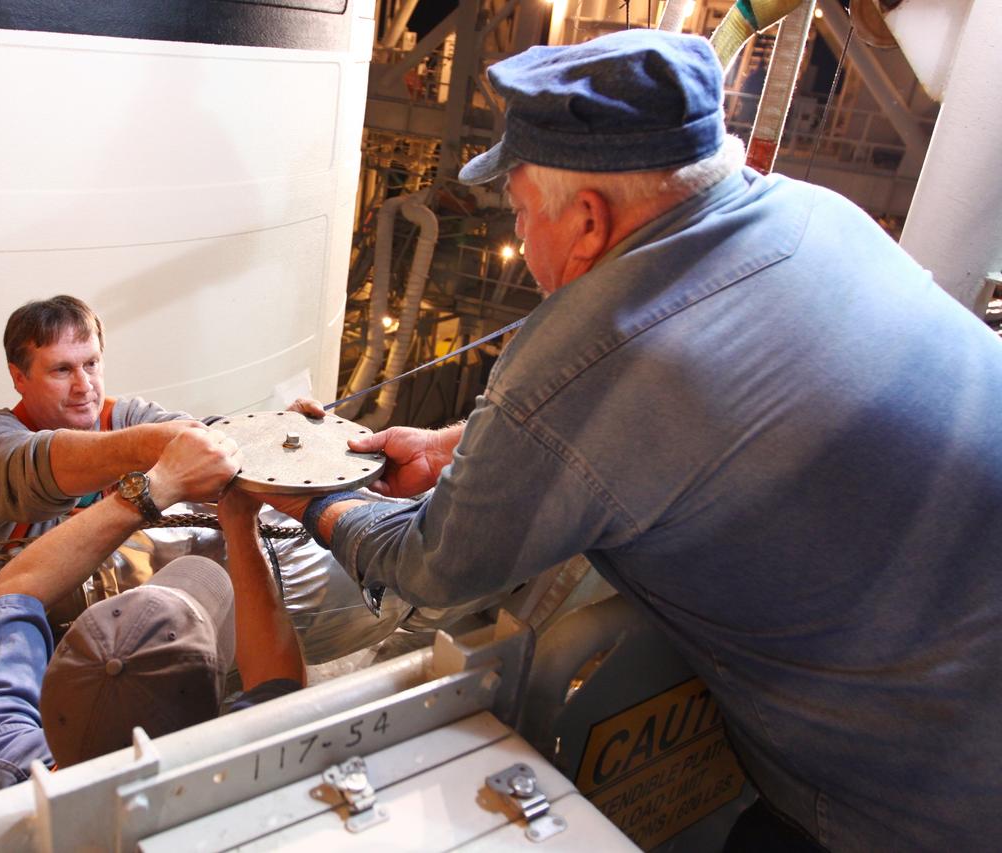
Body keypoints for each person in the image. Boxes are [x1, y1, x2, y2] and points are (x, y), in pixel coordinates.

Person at [261, 29, 1002, 852]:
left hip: (915, 802)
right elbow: (702, 402)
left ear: (587, 219)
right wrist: (453, 448)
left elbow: (431, 568)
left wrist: (311, 497)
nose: (521, 239)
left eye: (519, 213)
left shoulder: (598, 345)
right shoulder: (816, 213)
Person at [0, 294, 412, 662]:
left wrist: (271, 438)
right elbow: (42, 465)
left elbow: (205, 436)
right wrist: (156, 447)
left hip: (128, 644)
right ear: (19, 377)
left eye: (91, 364)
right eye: (61, 370)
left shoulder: (126, 417)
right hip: (21, 648)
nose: (83, 385)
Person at [0, 427, 305, 810]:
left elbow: (14, 588)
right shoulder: (233, 795)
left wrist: (159, 485)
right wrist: (240, 524)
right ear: (214, 714)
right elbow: (278, 683)